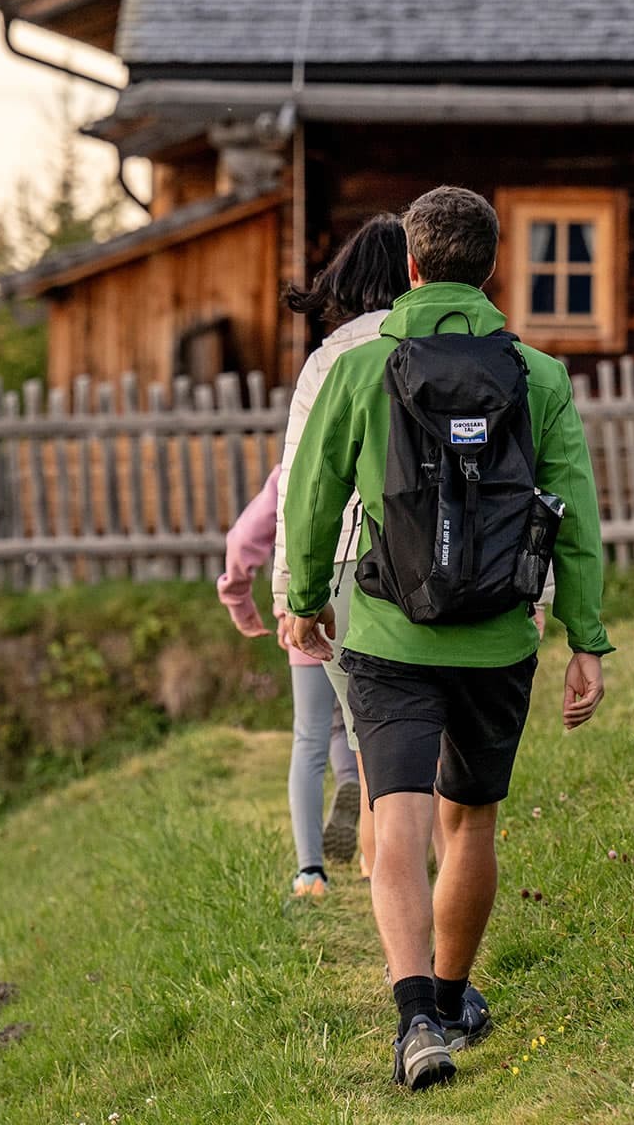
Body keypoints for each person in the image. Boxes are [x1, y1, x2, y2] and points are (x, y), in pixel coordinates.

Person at [280, 185, 612, 1090]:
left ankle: (415, 1018)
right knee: (471, 823)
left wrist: (306, 599)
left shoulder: (358, 369)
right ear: (492, 268)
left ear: (413, 268)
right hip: (500, 638)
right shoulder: (539, 376)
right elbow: (573, 514)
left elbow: (312, 497)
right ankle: (458, 998)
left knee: (399, 824)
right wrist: (586, 637)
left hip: (388, 631)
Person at [270, 212, 412, 885]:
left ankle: (396, 917)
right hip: (452, 561)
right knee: (433, 750)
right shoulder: (460, 344)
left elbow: (301, 490)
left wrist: (291, 597)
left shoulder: (328, 363)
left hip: (353, 568)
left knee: (377, 749)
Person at [218, 464, 362, 896]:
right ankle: (376, 841)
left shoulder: (288, 471)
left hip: (302, 616)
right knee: (358, 726)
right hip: (364, 611)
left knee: (310, 736)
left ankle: (310, 872)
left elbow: (242, 541)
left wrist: (239, 602)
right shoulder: (367, 459)